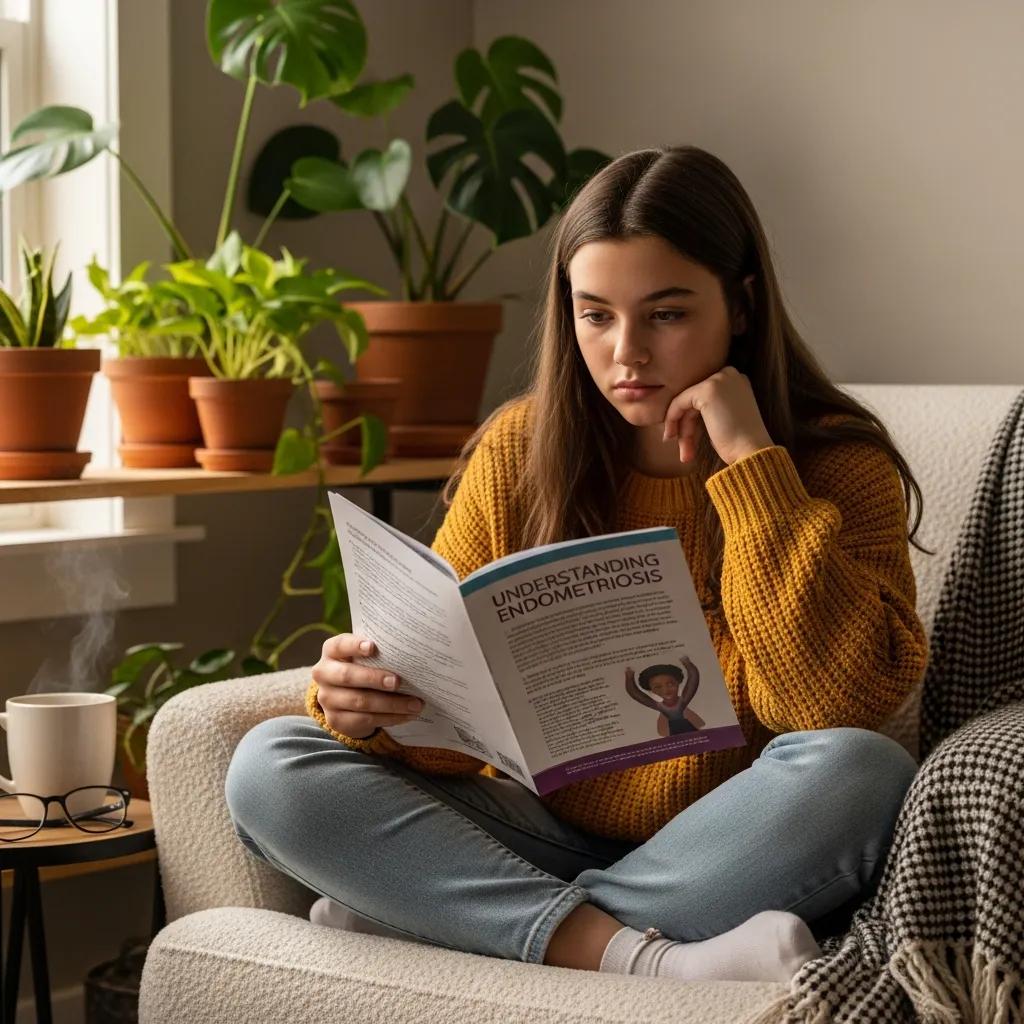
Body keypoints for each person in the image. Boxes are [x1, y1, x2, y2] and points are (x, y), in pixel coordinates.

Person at [225, 144, 930, 986]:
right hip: (538, 831)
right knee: (272, 765)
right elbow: (448, 746)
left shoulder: (838, 464)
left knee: (863, 771)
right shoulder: (520, 450)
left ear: (740, 305)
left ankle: (451, 922)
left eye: (665, 314)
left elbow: (828, 703)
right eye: (596, 315)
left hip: (732, 841)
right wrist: (366, 704)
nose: (626, 353)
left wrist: (751, 465)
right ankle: (639, 958)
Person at [625, 656, 706, 735]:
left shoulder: (681, 702)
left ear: (678, 683)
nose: (665, 690)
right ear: (651, 690)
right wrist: (629, 677)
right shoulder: (660, 706)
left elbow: (693, 680)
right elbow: (636, 694)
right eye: (657, 687)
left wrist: (687, 663)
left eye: (670, 684)